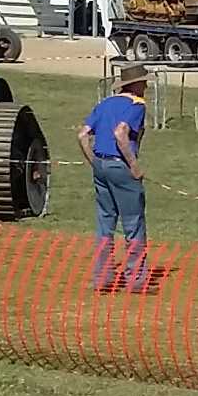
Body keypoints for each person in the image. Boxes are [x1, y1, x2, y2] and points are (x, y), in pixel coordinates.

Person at [78, 64, 151, 292]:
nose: (147, 85)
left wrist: (95, 163)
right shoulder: (136, 105)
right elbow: (121, 133)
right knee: (134, 223)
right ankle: (135, 279)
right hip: (121, 167)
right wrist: (134, 165)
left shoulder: (104, 103)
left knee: (105, 223)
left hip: (100, 165)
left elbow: (82, 135)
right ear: (136, 84)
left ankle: (102, 278)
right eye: (144, 82)